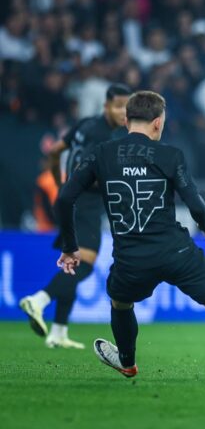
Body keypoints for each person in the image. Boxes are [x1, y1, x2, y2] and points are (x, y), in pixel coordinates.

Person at [53, 91, 205, 386]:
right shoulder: (169, 155)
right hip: (176, 252)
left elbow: (65, 199)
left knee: (120, 304)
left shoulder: (101, 154)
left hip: (131, 259)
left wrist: (70, 247)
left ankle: (128, 362)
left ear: (126, 120)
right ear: (158, 123)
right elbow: (194, 202)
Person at [20, 84, 132, 349]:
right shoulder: (104, 135)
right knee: (85, 263)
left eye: (125, 108)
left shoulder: (84, 124)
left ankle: (58, 331)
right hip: (86, 204)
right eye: (117, 106)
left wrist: (61, 187)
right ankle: (39, 300)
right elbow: (88, 172)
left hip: (71, 199)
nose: (122, 113)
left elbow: (56, 150)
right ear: (106, 105)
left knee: (71, 263)